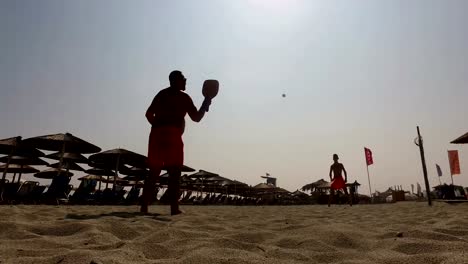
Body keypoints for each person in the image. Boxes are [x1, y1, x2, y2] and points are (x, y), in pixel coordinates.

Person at [141, 70, 211, 215]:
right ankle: (174, 208)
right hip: (172, 135)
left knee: (153, 172)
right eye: (183, 79)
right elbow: (196, 118)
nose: (186, 81)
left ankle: (144, 207)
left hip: (156, 135)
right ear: (175, 81)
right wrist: (206, 102)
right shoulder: (184, 97)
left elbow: (148, 114)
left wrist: (157, 125)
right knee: (174, 173)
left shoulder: (161, 94)